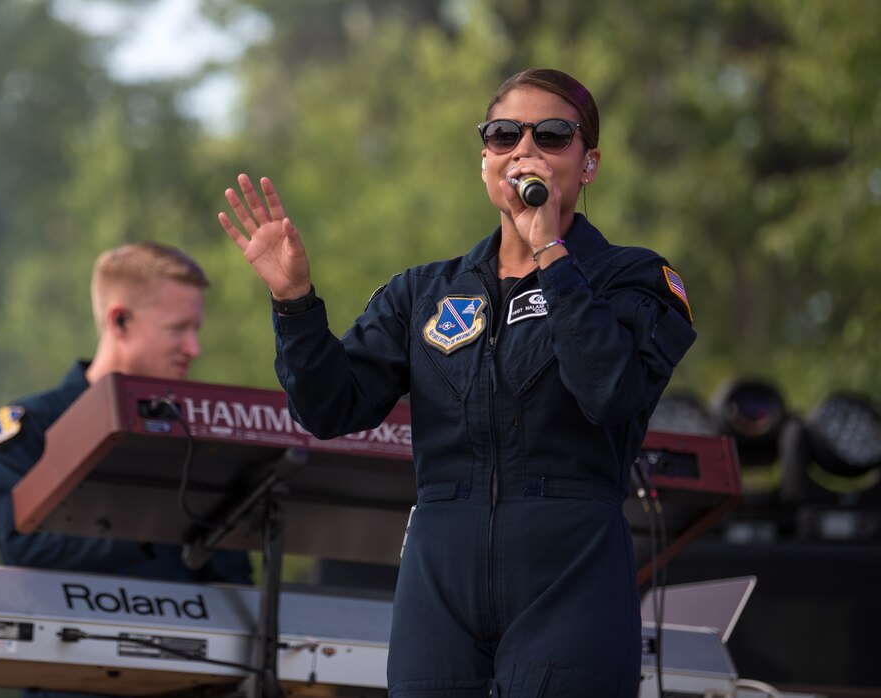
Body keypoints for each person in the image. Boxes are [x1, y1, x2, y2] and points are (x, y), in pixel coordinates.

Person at [218, 68, 696, 697]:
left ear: (588, 164)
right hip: (440, 570)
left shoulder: (634, 277)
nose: (524, 149)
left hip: (570, 565)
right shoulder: (423, 291)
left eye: (551, 135)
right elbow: (330, 408)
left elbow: (608, 391)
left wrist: (552, 253)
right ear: (485, 161)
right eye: (504, 135)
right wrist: (295, 304)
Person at [0, 241, 253, 698]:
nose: (195, 347)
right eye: (178, 329)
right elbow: (25, 548)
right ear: (119, 320)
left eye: (196, 329)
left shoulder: (200, 437)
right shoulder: (32, 430)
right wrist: (152, 525)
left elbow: (234, 581)